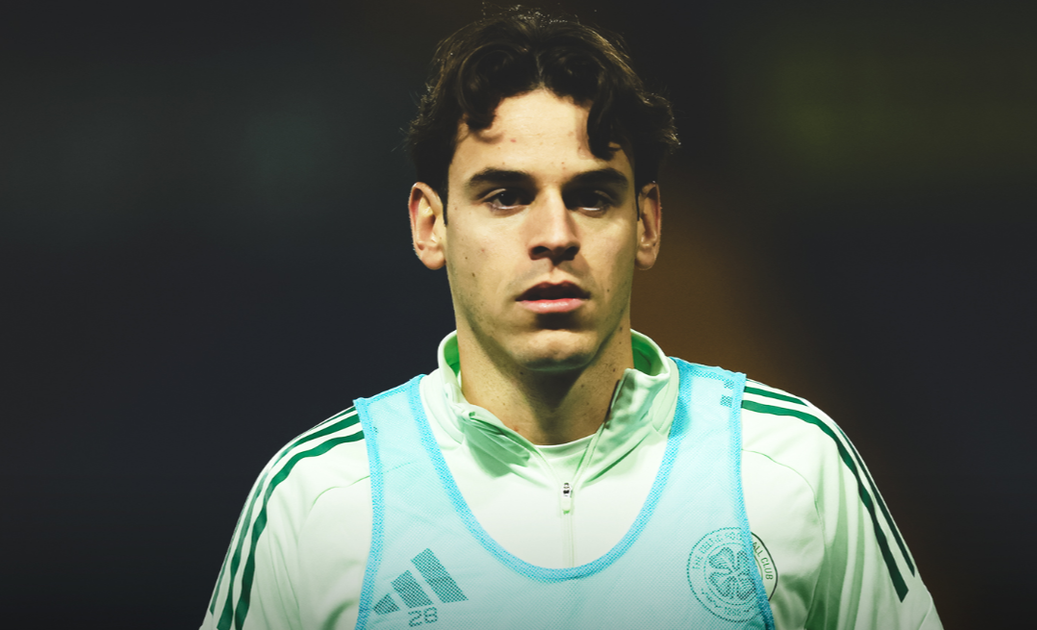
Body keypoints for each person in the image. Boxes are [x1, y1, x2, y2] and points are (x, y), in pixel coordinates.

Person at [201, 7, 942, 630]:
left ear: (646, 224)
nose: (554, 235)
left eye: (591, 197)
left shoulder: (795, 466)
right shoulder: (319, 498)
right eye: (505, 196)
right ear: (430, 225)